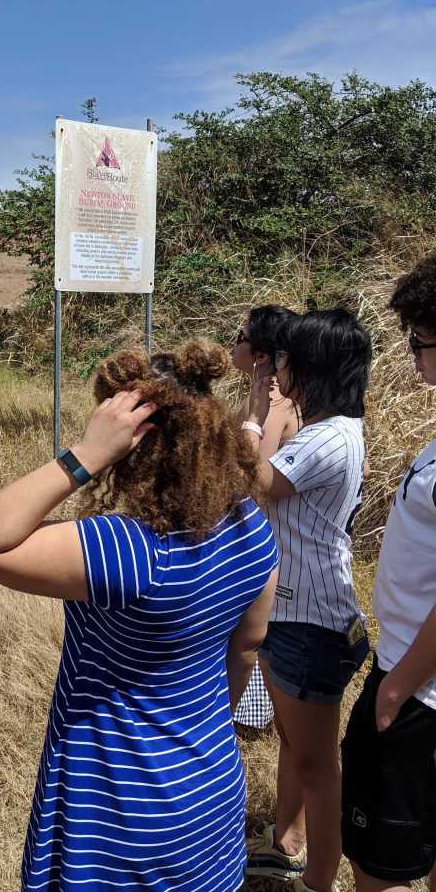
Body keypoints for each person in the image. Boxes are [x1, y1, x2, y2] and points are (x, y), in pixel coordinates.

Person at [0, 341, 279, 892]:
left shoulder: (128, 550)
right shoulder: (249, 527)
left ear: (131, 443)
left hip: (116, 808)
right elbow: (246, 647)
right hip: (211, 794)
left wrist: (84, 455)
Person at [243, 308, 372, 892]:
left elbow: (258, 482)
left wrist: (258, 415)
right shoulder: (335, 427)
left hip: (308, 621)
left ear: (311, 367)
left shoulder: (326, 436)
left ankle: (319, 879)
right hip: (301, 611)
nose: (279, 369)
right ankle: (289, 845)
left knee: (318, 768)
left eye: (286, 360)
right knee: (297, 746)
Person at [341, 255, 436, 892]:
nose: (414, 356)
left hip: (419, 685)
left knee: (380, 865)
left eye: (420, 341)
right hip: (414, 673)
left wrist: (397, 686)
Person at [231, 304, 299, 730]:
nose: (233, 341)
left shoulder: (271, 407)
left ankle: (252, 715)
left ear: (258, 355)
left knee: (251, 633)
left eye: (240, 335)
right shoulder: (272, 399)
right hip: (263, 535)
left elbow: (258, 479)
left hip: (258, 536)